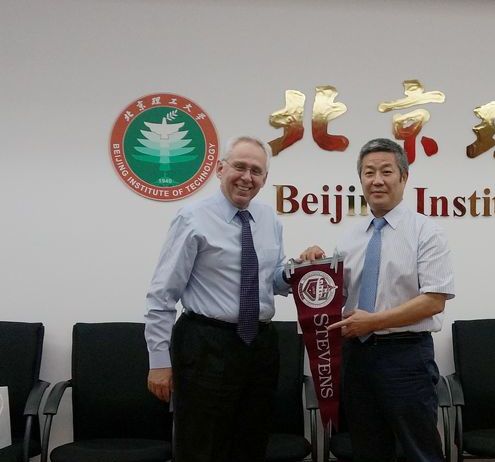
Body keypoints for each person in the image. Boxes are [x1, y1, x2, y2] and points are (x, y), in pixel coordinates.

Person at [300, 138, 455, 462]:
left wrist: (373, 322)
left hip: (406, 357)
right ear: (361, 180)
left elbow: (434, 300)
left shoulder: (426, 232)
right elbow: (338, 296)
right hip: (356, 359)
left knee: (421, 451)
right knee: (367, 449)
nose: (377, 180)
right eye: (369, 173)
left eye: (386, 171)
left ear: (404, 177)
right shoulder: (350, 237)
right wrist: (315, 266)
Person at [144, 136, 290, 462]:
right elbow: (162, 294)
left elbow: (272, 279)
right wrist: (159, 362)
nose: (247, 177)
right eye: (240, 167)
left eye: (256, 171)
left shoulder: (269, 219)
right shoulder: (192, 218)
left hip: (260, 347)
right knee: (201, 446)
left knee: (252, 443)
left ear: (265, 179)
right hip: (206, 345)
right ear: (220, 169)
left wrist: (300, 272)